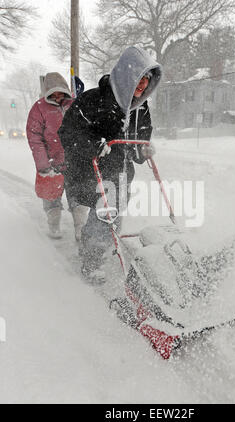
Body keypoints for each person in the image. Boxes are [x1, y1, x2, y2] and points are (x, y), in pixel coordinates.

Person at [58, 46, 162, 278]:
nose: (143, 85)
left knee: (111, 212)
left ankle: (102, 243)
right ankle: (92, 260)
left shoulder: (141, 108)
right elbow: (68, 132)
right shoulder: (93, 100)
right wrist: (95, 145)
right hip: (88, 171)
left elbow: (140, 139)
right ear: (127, 76)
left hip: (121, 174)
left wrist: (143, 150)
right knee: (106, 213)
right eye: (139, 78)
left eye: (147, 79)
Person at [26, 72, 88, 240]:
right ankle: (53, 226)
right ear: (47, 91)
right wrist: (43, 164)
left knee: (78, 196)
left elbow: (85, 129)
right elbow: (35, 137)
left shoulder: (75, 105)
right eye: (53, 93)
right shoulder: (39, 108)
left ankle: (80, 228)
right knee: (51, 197)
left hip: (75, 161)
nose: (57, 96)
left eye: (61, 92)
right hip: (51, 162)